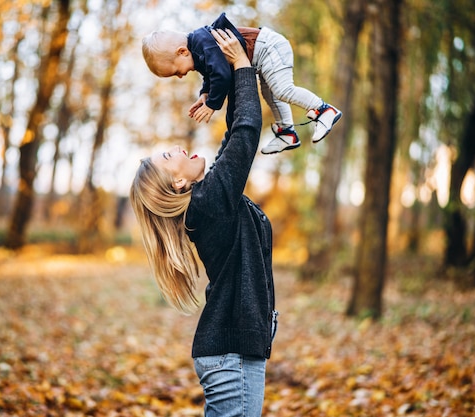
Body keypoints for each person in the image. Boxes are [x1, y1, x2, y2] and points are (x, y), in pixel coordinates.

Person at [130, 28, 277, 416]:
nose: (179, 148)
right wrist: (244, 67)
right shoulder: (208, 204)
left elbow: (232, 137)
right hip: (231, 357)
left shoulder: (208, 200)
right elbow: (245, 136)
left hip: (234, 354)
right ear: (178, 181)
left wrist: (224, 80)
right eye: (168, 156)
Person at [141, 12, 342, 155]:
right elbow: (211, 74)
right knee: (270, 94)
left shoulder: (202, 43)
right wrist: (205, 94)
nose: (180, 76)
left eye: (176, 71)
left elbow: (221, 75)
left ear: (182, 52)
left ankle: (323, 110)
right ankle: (287, 132)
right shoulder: (199, 50)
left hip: (268, 47)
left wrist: (212, 105)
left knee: (282, 90)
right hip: (262, 56)